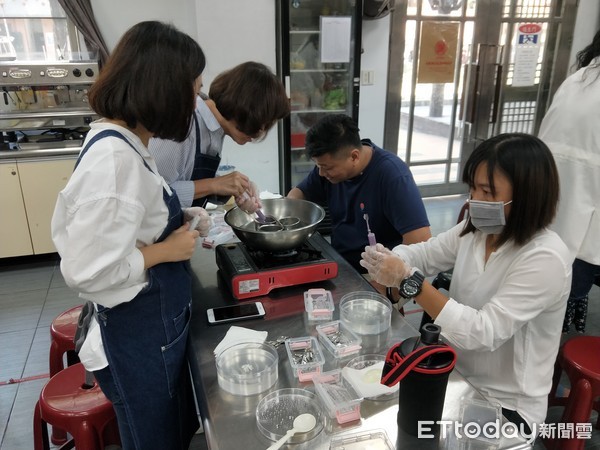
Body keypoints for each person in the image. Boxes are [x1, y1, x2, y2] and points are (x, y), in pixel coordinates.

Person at [51, 21, 211, 449]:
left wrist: (182, 218)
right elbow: (88, 272)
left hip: (157, 329)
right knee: (152, 440)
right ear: (164, 89)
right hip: (136, 334)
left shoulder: (128, 141)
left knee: (172, 431)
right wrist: (163, 250)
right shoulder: (114, 161)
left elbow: (130, 222)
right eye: (195, 89)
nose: (197, 101)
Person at [361, 133, 571, 436]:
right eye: (473, 188)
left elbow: (483, 332)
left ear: (527, 194)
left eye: (487, 191)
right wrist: (389, 259)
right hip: (456, 374)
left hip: (505, 406)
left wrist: (409, 280)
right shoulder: (477, 231)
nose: (475, 201)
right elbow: (426, 253)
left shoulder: (545, 258)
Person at [287, 113, 431, 275]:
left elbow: (420, 240)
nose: (320, 173)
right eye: (318, 166)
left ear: (354, 156)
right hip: (341, 264)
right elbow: (298, 193)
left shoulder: (392, 176)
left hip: (377, 275)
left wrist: (387, 284)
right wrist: (286, 221)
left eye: (326, 167)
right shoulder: (328, 170)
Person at [149, 61, 290, 211]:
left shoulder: (216, 130)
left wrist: (234, 190)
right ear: (242, 108)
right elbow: (152, 190)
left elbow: (187, 178)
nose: (261, 130)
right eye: (261, 122)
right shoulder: (183, 125)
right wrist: (214, 184)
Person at [538, 30, 600, 333]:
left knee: (551, 291)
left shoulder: (578, 80)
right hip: (584, 222)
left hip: (551, 208)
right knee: (564, 294)